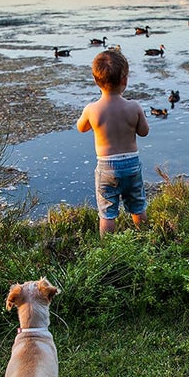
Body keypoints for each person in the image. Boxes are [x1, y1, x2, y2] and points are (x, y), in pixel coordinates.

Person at [76, 49, 150, 236]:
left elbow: (81, 127)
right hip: (131, 165)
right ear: (124, 80)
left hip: (107, 167)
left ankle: (107, 249)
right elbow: (144, 132)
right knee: (137, 206)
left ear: (95, 80)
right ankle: (145, 237)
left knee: (107, 213)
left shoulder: (92, 110)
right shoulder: (134, 107)